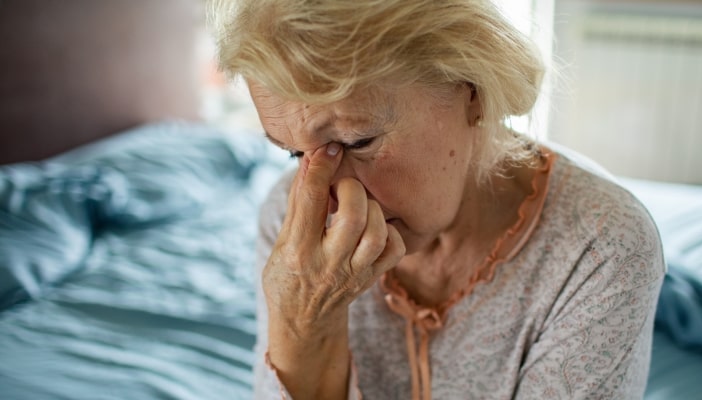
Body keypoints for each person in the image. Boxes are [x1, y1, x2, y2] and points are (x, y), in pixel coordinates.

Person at [210, 1, 666, 399]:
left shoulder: (603, 247)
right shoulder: (288, 220)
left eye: (357, 141)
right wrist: (303, 325)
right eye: (293, 152)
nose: (328, 201)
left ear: (472, 91)